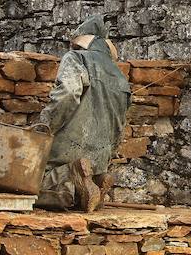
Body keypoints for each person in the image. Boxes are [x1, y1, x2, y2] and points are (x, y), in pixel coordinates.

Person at [31, 15, 131, 211]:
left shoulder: (76, 58)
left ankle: (71, 173)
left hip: (69, 149)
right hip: (100, 157)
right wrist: (108, 154)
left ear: (80, 43)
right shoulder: (119, 75)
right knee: (75, 197)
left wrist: (44, 126)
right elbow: (121, 123)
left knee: (32, 187)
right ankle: (96, 178)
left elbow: (68, 92)